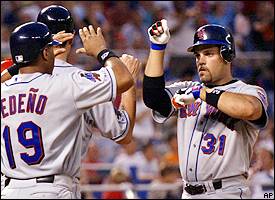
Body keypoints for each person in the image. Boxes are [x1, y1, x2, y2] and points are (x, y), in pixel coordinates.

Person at [1, 5, 141, 198]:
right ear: (71, 36)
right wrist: (105, 54)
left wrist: (16, 66)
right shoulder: (75, 82)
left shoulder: (6, 85)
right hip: (52, 188)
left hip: (9, 189)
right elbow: (123, 133)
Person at [143, 19, 269, 198]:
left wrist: (202, 93)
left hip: (227, 191)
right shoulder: (189, 89)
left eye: (208, 53)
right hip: (188, 192)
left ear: (227, 55)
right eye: (197, 55)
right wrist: (157, 48)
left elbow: (250, 109)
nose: (200, 60)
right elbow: (153, 98)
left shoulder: (247, 91)